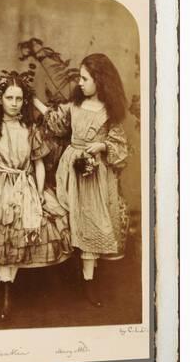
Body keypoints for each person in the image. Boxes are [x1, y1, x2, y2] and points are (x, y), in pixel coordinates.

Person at [0, 71, 71, 320]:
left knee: (24, 228)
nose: (14, 103)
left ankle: (7, 287)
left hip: (26, 183)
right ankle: (4, 288)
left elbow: (38, 164)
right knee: (4, 227)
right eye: (9, 97)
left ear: (24, 101)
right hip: (0, 184)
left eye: (19, 98)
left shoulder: (30, 128)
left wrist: (40, 191)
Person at [33, 53, 129, 307]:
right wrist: (33, 100)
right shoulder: (74, 106)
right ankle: (65, 275)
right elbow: (57, 122)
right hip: (70, 169)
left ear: (101, 80)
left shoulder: (109, 112)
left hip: (93, 173)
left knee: (90, 220)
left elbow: (119, 146)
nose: (80, 84)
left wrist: (102, 146)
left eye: (85, 79)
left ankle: (89, 281)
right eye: (79, 78)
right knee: (68, 217)